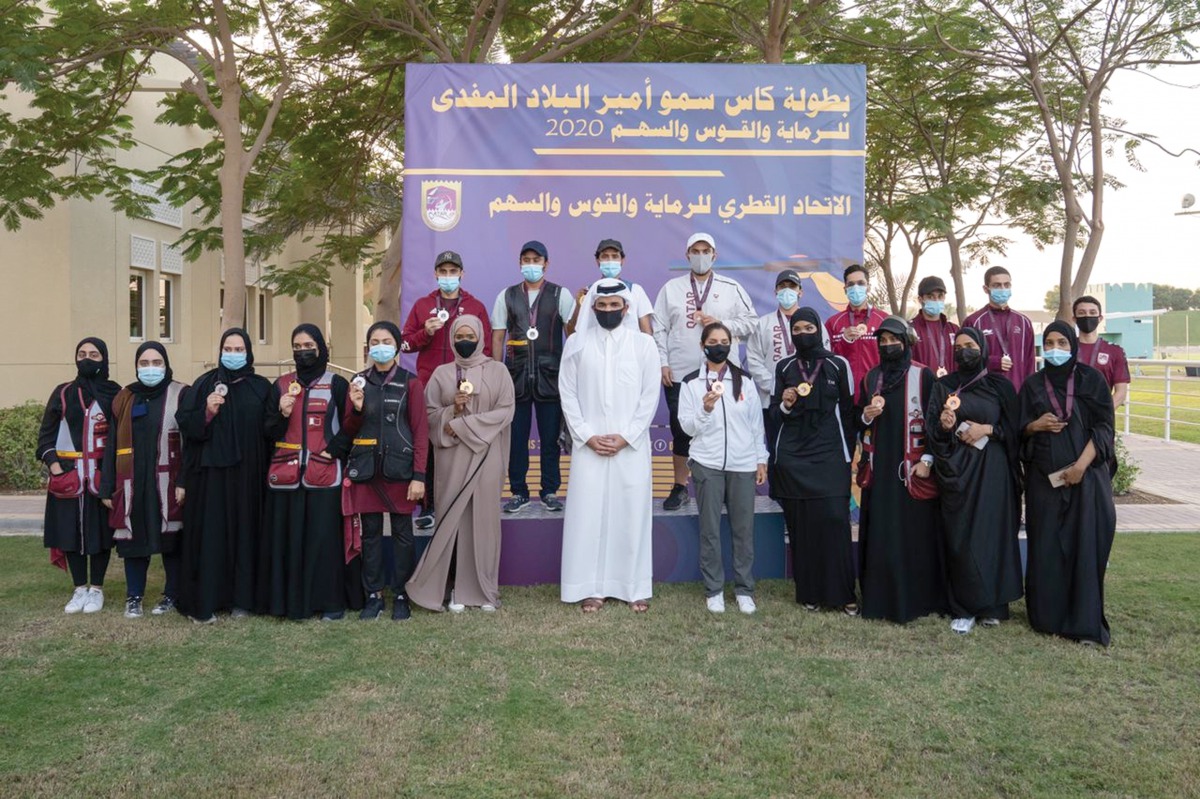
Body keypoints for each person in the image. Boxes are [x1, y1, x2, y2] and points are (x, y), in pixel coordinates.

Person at [559, 280, 661, 613]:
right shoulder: (576, 344)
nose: (607, 311)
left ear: (626, 308)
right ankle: (589, 587)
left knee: (630, 514)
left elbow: (650, 397)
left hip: (630, 448)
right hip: (589, 447)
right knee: (588, 516)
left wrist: (626, 436)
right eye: (601, 307)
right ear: (592, 309)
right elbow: (568, 394)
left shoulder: (644, 346)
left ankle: (633, 587)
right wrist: (587, 435)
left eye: (613, 306)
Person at [407, 315, 515, 612]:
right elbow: (428, 416)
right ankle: (452, 589)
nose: (464, 341)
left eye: (470, 335)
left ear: (480, 336)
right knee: (451, 519)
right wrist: (450, 413)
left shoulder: (499, 371)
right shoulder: (441, 374)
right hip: (451, 457)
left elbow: (505, 411)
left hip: (486, 455)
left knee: (484, 520)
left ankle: (484, 590)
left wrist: (463, 426)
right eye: (458, 336)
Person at [1019, 321, 1117, 646]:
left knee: (1084, 547)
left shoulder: (1092, 380)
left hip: (1085, 481)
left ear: (1073, 345)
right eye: (1049, 343)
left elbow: (1104, 428)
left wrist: (1080, 467)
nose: (1056, 349)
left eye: (1062, 342)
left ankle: (1084, 623)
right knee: (1046, 547)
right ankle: (1046, 618)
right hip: (1044, 484)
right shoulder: (1033, 384)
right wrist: (1034, 425)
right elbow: (1018, 432)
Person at [260, 324, 363, 621]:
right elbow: (267, 432)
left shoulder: (337, 384)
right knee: (288, 543)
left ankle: (329, 604)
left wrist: (335, 450)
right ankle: (288, 605)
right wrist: (281, 413)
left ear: (321, 347)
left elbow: (351, 426)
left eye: (309, 345)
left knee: (324, 543)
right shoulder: (280, 385)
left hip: (325, 475)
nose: (303, 351)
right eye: (297, 346)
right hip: (285, 478)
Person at [925, 328, 1024, 635]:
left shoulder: (1000, 386)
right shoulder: (944, 386)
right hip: (957, 472)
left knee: (992, 535)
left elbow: (1016, 430)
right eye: (959, 347)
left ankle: (993, 606)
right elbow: (933, 433)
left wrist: (988, 430)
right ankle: (963, 608)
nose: (964, 351)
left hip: (993, 472)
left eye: (970, 346)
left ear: (982, 349)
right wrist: (944, 426)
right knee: (960, 536)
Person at [653, 233, 757, 511]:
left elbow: (751, 323)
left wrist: (722, 323)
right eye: (695, 251)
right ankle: (679, 486)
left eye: (706, 251)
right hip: (680, 372)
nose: (700, 255)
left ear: (715, 255)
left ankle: (722, 485)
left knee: (723, 425)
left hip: (722, 372)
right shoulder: (671, 289)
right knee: (681, 430)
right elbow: (658, 328)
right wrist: (663, 362)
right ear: (687, 255)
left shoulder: (731, 287)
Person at [854, 317, 947, 624]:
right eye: (882, 341)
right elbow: (859, 421)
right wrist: (866, 416)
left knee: (914, 537)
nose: (887, 345)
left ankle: (918, 600)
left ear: (906, 342)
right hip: (880, 474)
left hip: (913, 471)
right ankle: (879, 601)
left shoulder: (923, 376)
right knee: (881, 533)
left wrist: (929, 461)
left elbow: (936, 424)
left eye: (893, 339)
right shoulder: (872, 378)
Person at [175, 328, 271, 623]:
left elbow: (271, 431)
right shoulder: (204, 384)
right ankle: (211, 597)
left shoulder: (261, 387)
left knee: (246, 534)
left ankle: (244, 599)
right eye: (227, 348)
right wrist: (206, 412)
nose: (232, 354)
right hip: (210, 477)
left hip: (249, 476)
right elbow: (187, 429)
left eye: (238, 348)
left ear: (249, 351)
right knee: (211, 536)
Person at [770, 308, 858, 614]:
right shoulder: (783, 367)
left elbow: (848, 413)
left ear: (819, 329)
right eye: (797, 329)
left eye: (809, 327)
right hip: (794, 458)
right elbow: (774, 414)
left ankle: (844, 594)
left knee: (835, 521)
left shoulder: (838, 364)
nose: (803, 333)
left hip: (831, 455)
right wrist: (785, 403)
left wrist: (849, 454)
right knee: (802, 526)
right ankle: (809, 592)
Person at [678, 322, 768, 614]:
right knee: (710, 530)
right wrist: (705, 409)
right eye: (713, 340)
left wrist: (760, 458)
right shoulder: (691, 382)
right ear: (703, 344)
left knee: (743, 529)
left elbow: (756, 424)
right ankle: (714, 589)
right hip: (707, 464)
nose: (719, 345)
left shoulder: (745, 381)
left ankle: (744, 589)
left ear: (732, 345)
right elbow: (687, 428)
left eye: (725, 341)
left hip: (742, 464)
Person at [342, 321, 429, 621]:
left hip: (401, 471)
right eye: (374, 341)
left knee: (404, 534)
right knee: (371, 535)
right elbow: (348, 429)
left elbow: (420, 432)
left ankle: (402, 593)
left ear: (397, 345)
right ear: (368, 348)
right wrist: (355, 408)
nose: (380, 346)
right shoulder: (357, 382)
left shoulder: (411, 382)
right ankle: (374, 595)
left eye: (386, 340)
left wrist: (419, 476)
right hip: (366, 470)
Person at [401, 250, 491, 530]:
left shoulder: (475, 305)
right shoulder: (422, 305)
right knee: (427, 445)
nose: (448, 276)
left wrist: (477, 382)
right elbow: (404, 344)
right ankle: (427, 507)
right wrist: (425, 332)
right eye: (443, 271)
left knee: (463, 443)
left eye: (453, 271)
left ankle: (461, 503)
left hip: (466, 387)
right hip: (430, 386)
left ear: (462, 274)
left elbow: (485, 348)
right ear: (435, 274)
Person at [99, 342, 187, 619]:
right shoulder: (125, 397)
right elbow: (112, 443)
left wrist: (184, 480)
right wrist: (107, 486)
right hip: (131, 483)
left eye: (156, 362)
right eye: (144, 363)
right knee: (133, 541)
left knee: (171, 538)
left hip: (168, 481)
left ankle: (172, 594)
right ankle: (134, 596)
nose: (150, 368)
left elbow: (191, 442)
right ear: (137, 366)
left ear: (166, 363)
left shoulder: (181, 393)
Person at [490, 240, 576, 514]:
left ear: (546, 263)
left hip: (551, 379)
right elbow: (498, 335)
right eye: (526, 259)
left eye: (536, 259)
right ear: (520, 263)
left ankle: (550, 491)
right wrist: (496, 372)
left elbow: (573, 335)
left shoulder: (561, 295)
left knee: (550, 440)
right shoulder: (507, 295)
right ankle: (518, 492)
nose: (531, 264)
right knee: (516, 440)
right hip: (515, 380)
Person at [37, 337, 121, 614]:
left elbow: (122, 439)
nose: (87, 359)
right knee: (70, 533)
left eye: (94, 354)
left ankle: (96, 589)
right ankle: (79, 589)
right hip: (68, 479)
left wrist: (110, 476)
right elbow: (46, 438)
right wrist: (56, 468)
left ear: (104, 358)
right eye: (82, 353)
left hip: (101, 477)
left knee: (99, 534)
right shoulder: (63, 393)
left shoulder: (115, 394)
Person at [745, 269, 803, 472]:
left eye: (792, 287)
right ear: (775, 291)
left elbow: (822, 357)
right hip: (770, 400)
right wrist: (775, 386)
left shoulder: (812, 323)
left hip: (804, 399)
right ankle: (777, 494)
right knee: (775, 447)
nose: (787, 291)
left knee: (803, 449)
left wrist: (803, 388)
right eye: (782, 287)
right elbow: (753, 360)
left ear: (800, 292)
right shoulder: (763, 324)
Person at [963, 266, 1036, 391]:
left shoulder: (1024, 322)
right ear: (986, 289)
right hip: (985, 394)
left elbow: (1030, 362)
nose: (1003, 289)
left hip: (1017, 393)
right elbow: (965, 360)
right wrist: (992, 362)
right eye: (997, 285)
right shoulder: (973, 321)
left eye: (1006, 285)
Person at [824, 264, 889, 402]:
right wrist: (844, 341)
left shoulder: (884, 320)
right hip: (843, 396)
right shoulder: (833, 323)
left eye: (861, 283)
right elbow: (826, 360)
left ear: (868, 287)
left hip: (876, 395)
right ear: (845, 289)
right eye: (851, 284)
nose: (856, 288)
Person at [570, 238, 654, 334]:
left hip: (629, 348)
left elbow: (647, 332)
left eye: (615, 256)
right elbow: (573, 333)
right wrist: (578, 306)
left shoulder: (636, 291)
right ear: (598, 261)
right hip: (596, 348)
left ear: (622, 260)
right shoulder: (586, 293)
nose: (610, 261)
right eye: (605, 256)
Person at [1073, 295, 1130, 409]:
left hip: (1101, 419)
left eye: (1092, 312)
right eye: (1082, 312)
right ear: (1075, 319)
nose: (1087, 316)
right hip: (1071, 418)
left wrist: (1103, 414)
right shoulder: (1066, 349)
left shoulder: (1115, 351)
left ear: (1100, 318)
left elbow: (1121, 393)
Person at [910, 276, 960, 378]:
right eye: (930, 296)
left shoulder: (954, 329)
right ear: (920, 299)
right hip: (922, 389)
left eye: (940, 296)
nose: (936, 300)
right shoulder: (909, 329)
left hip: (951, 390)